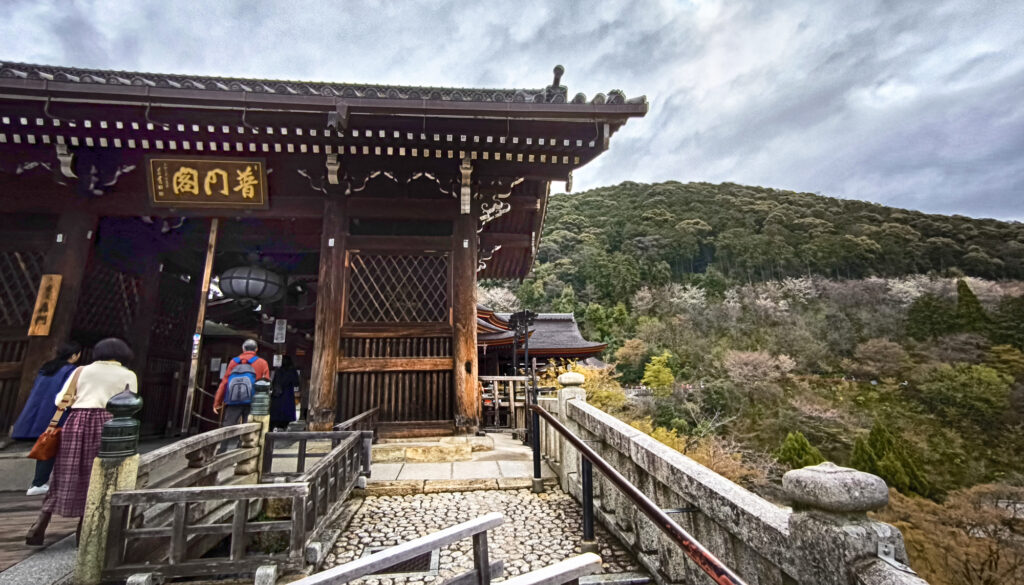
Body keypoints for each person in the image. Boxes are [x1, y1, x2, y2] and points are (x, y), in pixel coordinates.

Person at [26, 338, 137, 546]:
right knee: (96, 473)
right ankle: (82, 529)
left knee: (63, 472)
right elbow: (132, 401)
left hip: (76, 421)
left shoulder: (81, 371)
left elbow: (60, 400)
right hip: (108, 422)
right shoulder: (127, 375)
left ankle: (39, 524)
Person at [12, 341, 82, 496]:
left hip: (37, 411)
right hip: (57, 411)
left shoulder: (46, 368)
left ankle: (40, 482)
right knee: (55, 446)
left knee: (48, 445)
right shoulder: (72, 371)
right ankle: (41, 483)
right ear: (75, 355)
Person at [213, 339, 269, 444]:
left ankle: (223, 448)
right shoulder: (262, 363)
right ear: (256, 349)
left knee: (228, 425)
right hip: (253, 400)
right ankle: (244, 447)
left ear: (243, 349)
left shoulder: (234, 362)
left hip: (233, 399)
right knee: (250, 426)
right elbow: (265, 384)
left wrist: (217, 401)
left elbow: (225, 382)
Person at [269, 355, 300, 431]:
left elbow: (274, 382)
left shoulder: (278, 370)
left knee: (276, 411)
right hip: (287, 393)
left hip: (278, 394)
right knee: (287, 411)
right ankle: (284, 426)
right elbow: (296, 382)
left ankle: (274, 426)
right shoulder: (292, 371)